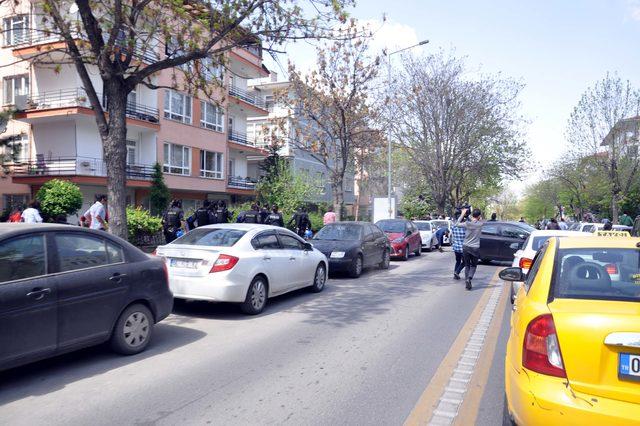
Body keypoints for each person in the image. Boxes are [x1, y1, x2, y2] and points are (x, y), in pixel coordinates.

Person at [457, 208, 483, 290]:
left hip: (466, 246)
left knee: (467, 265)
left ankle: (466, 282)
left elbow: (457, 224)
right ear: (479, 216)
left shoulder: (467, 223)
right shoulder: (480, 224)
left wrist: (462, 214)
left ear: (472, 215)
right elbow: (477, 220)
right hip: (475, 247)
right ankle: (469, 278)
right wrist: (477, 218)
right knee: (474, 265)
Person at [451, 211, 467, 280]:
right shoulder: (465, 228)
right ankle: (457, 272)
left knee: (458, 261)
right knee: (465, 262)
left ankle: (455, 273)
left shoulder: (453, 226)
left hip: (456, 247)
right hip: (463, 248)